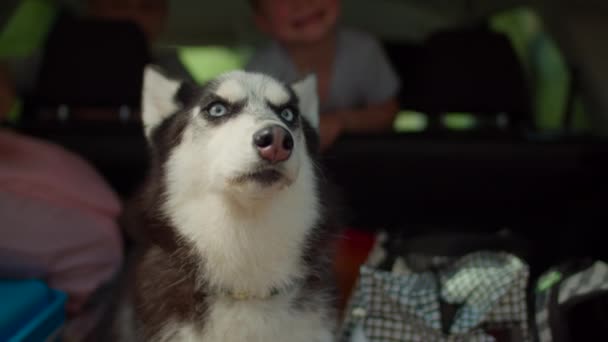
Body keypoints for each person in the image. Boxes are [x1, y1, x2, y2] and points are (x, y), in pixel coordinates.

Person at [246, 0, 400, 149]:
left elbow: (387, 113)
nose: (303, 3)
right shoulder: (260, 72)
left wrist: (342, 121)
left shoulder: (364, 51)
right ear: (263, 21)